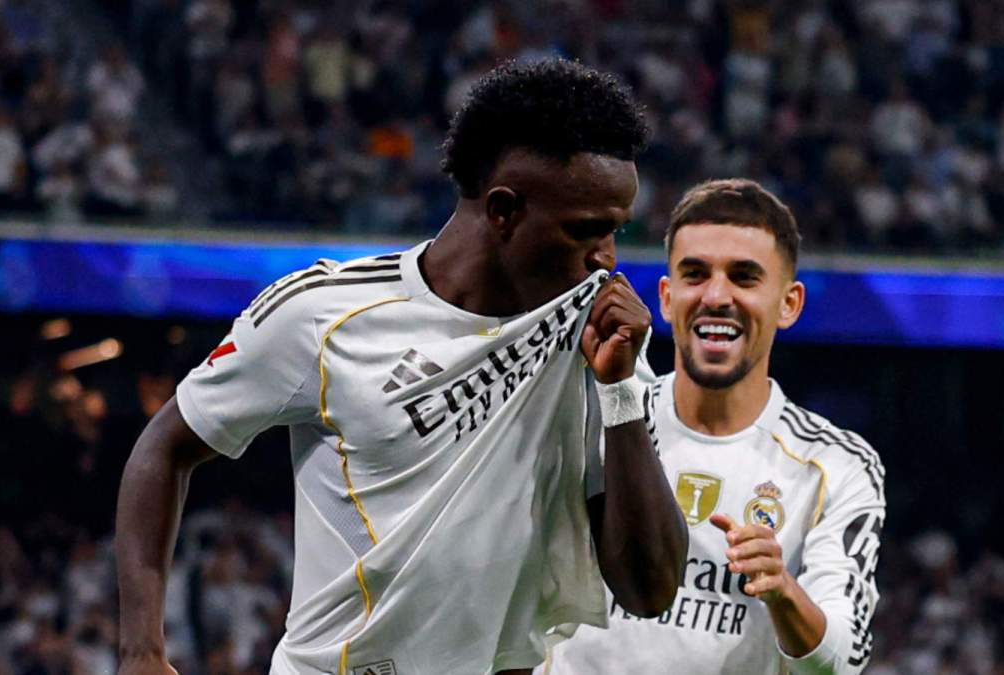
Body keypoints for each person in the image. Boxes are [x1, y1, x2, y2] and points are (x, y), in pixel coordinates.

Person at [115, 59, 688, 675]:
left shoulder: (597, 340)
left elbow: (650, 589)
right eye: (587, 231)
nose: (605, 259)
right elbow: (164, 447)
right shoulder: (324, 314)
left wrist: (622, 388)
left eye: (616, 231)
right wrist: (142, 650)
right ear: (503, 211)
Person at [541, 179, 886, 674]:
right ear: (666, 296)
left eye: (744, 277)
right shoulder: (596, 417)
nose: (716, 296)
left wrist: (783, 590)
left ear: (789, 303)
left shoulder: (836, 465)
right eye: (695, 274)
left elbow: (843, 661)